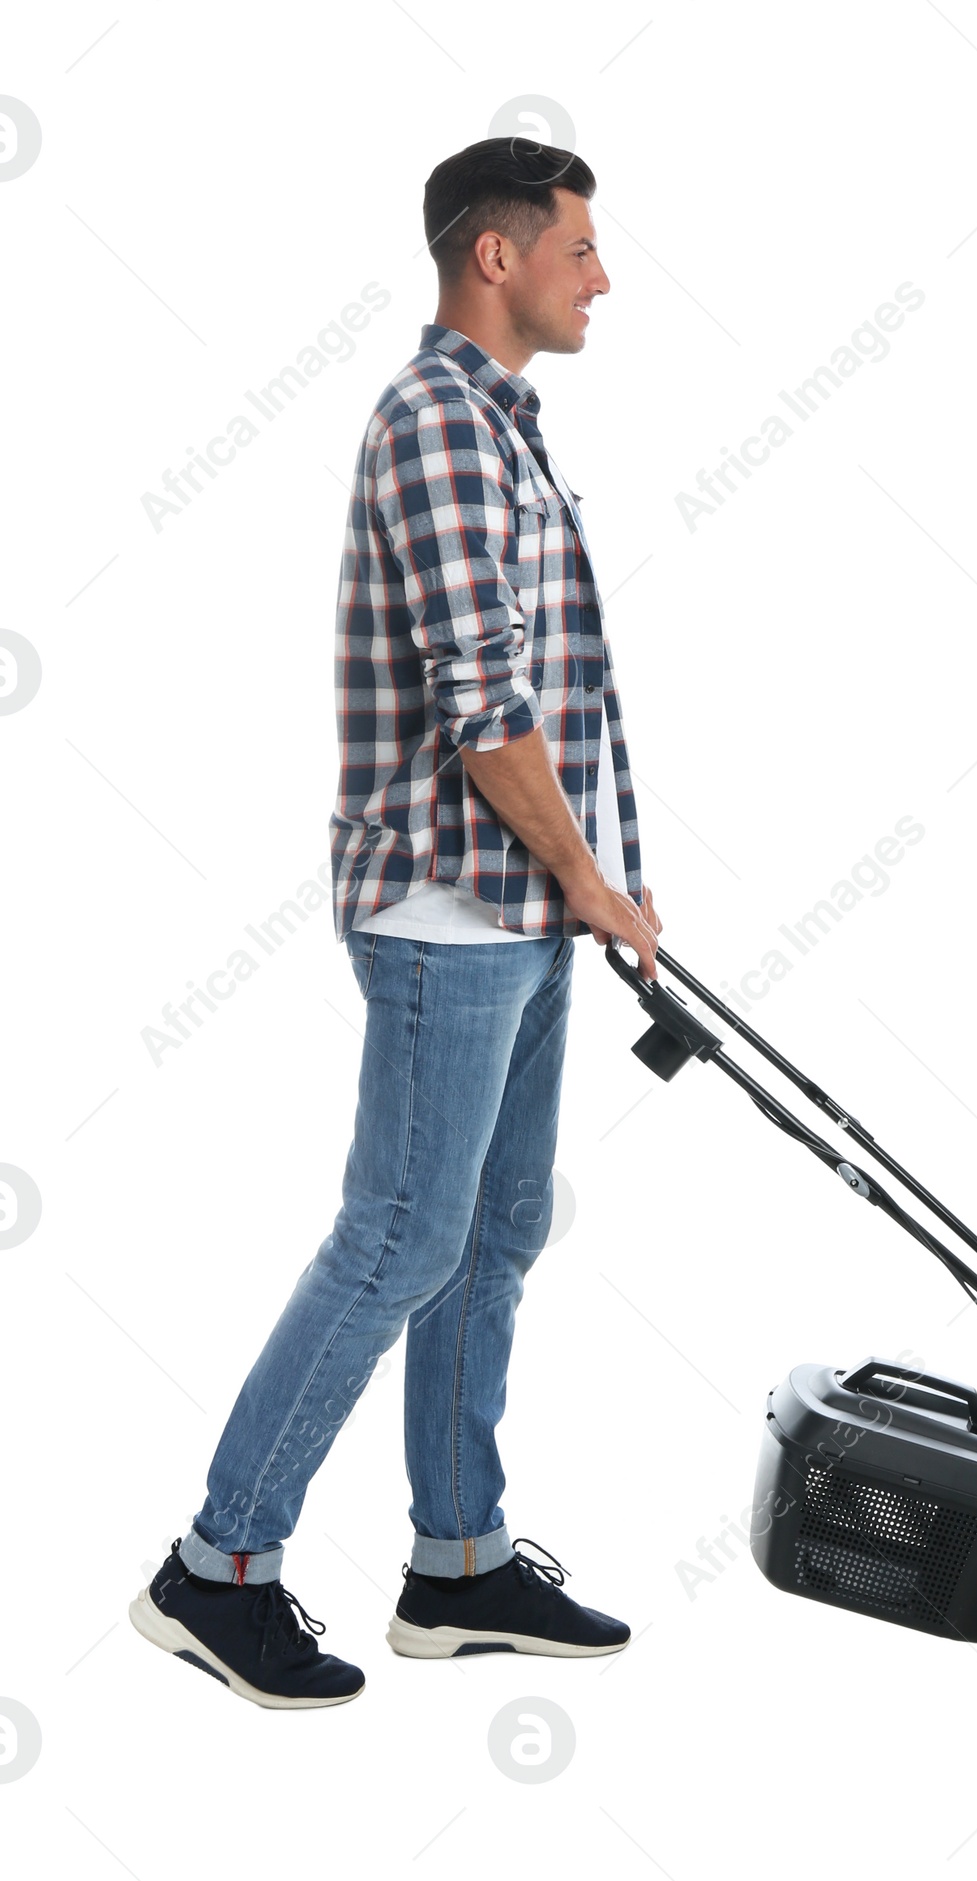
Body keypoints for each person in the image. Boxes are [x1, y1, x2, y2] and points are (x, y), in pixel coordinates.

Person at [129, 137, 661, 1708]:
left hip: (525, 906)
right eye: (579, 247)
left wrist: (601, 872)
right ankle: (216, 1567)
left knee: (494, 1235)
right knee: (402, 1236)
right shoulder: (437, 425)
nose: (601, 274)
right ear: (493, 258)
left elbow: (555, 692)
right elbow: (481, 703)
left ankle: (458, 1564)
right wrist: (583, 874)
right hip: (453, 909)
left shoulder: (503, 426)